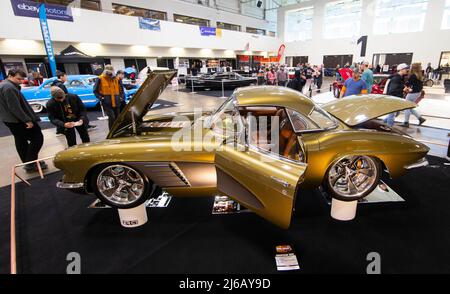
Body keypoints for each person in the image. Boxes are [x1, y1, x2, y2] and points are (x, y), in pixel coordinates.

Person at [0, 69, 46, 172]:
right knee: (37, 137)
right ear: (10, 76)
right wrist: (27, 120)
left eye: (22, 79)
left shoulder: (4, 85)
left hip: (9, 119)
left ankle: (29, 162)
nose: (21, 81)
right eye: (18, 79)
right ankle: (31, 162)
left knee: (21, 140)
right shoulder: (9, 87)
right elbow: (14, 107)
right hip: (17, 120)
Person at [93, 65, 124, 130]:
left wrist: (121, 97)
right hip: (107, 102)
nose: (110, 73)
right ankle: (112, 132)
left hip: (117, 101)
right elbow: (95, 91)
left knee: (117, 118)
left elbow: (121, 90)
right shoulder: (100, 78)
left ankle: (118, 131)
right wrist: (101, 98)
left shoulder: (117, 79)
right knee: (112, 117)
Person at [383, 63, 410, 127]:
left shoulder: (400, 78)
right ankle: (389, 127)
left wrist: (404, 88)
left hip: (396, 98)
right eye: (406, 69)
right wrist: (403, 89)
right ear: (401, 69)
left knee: (396, 113)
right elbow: (392, 90)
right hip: (393, 98)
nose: (407, 70)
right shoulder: (396, 78)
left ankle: (385, 121)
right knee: (392, 114)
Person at [402, 63, 426, 127]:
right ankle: (420, 118)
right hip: (417, 93)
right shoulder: (420, 75)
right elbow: (419, 86)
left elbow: (408, 84)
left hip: (413, 93)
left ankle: (406, 122)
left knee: (406, 107)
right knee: (410, 107)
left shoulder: (413, 76)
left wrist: (406, 88)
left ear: (413, 68)